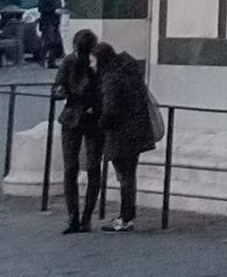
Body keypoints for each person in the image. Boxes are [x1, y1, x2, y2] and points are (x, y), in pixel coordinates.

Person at [95, 34, 160, 228]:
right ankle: (127, 216)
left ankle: (125, 218)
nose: (92, 65)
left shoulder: (110, 78)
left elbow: (111, 109)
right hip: (137, 130)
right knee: (129, 175)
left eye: (93, 61)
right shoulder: (128, 70)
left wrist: (100, 124)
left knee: (124, 176)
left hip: (122, 134)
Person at [53, 32, 109, 233]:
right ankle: (73, 216)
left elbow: (104, 89)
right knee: (71, 167)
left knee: (93, 167)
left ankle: (86, 217)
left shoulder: (97, 63)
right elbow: (58, 86)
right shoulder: (70, 62)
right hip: (72, 118)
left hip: (93, 119)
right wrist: (61, 90)